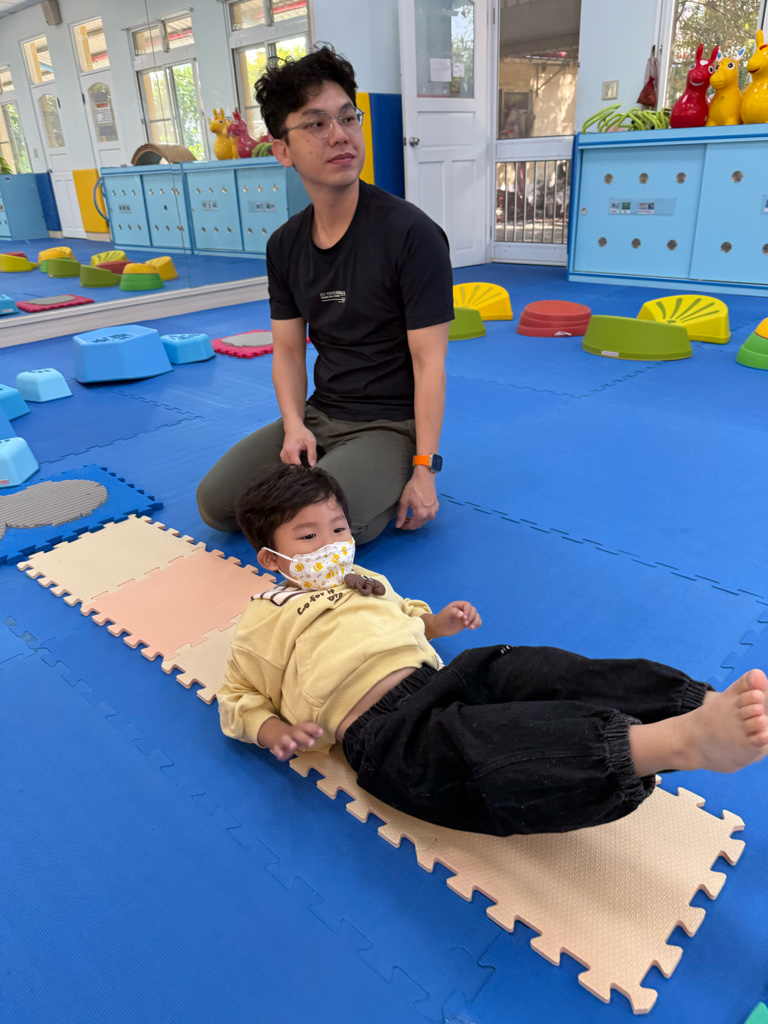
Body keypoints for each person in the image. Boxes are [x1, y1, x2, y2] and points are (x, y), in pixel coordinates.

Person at [216, 465, 768, 837]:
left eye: (338, 528)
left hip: (443, 678)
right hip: (385, 733)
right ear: (271, 559)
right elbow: (238, 696)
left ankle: (692, 702)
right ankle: (678, 743)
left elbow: (403, 618)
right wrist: (273, 730)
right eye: (308, 537)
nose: (332, 545)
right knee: (489, 746)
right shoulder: (265, 621)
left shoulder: (366, 578)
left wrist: (437, 622)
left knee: (529, 667)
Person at [196, 45, 454, 545]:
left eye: (347, 118)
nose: (339, 135)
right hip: (320, 413)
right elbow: (289, 352)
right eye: (316, 124)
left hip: (390, 425)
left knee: (322, 530)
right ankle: (332, 474)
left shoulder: (412, 234)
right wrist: (295, 425)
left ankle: (385, 475)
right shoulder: (285, 245)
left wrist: (425, 469)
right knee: (216, 504)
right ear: (283, 151)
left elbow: (430, 363)